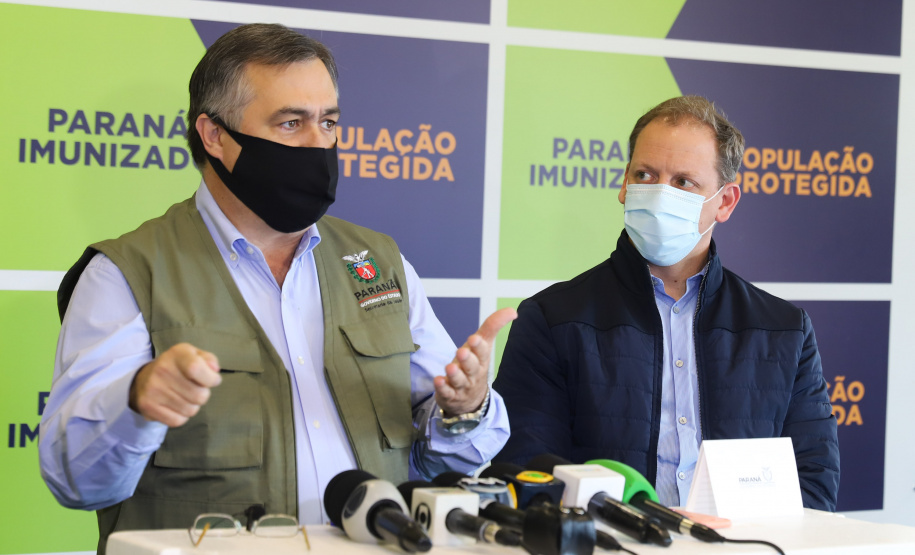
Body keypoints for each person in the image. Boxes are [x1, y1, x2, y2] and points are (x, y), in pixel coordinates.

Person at [39, 23, 514, 551]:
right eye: (291, 124)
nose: (319, 144)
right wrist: (137, 404)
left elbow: (446, 461)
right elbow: (75, 481)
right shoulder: (128, 273)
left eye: (328, 122)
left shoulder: (378, 262)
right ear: (215, 135)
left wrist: (462, 410)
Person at [493, 95, 839, 511]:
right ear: (624, 185)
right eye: (645, 175)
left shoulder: (784, 330)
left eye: (683, 183)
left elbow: (813, 489)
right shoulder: (551, 320)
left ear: (725, 202)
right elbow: (527, 477)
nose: (659, 194)